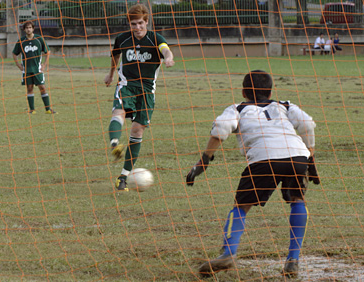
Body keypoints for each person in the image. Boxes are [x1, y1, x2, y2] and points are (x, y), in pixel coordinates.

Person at [186, 70, 319, 277]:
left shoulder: (238, 108)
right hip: (297, 156)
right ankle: (293, 259)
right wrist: (310, 156)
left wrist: (204, 160)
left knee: (241, 207)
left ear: (243, 91)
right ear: (270, 90)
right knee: (298, 200)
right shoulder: (285, 105)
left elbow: (221, 128)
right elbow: (308, 124)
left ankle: (228, 253)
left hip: (262, 159)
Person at [104, 4, 175, 191]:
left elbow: (165, 49)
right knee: (118, 112)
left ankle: (123, 177)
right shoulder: (122, 39)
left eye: (141, 23)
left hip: (147, 92)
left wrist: (168, 57)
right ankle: (115, 145)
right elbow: (115, 55)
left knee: (137, 132)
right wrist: (111, 74)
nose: (137, 28)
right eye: (133, 24)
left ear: (146, 22)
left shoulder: (155, 38)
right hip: (126, 85)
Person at [12, 21, 56, 114]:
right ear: (24, 29)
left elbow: (48, 51)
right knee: (29, 88)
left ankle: (48, 109)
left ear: (33, 29)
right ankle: (32, 110)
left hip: (37, 69)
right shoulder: (21, 40)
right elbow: (14, 53)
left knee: (42, 87)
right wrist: (18, 65)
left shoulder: (39, 39)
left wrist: (44, 65)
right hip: (26, 70)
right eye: (26, 28)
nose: (28, 29)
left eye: (30, 27)